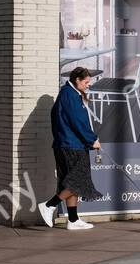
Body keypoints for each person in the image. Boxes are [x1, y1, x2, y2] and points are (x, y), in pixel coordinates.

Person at [42, 68, 105, 230]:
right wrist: (92, 140)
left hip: (69, 144)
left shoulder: (70, 94)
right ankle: (49, 205)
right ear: (77, 80)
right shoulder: (69, 95)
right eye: (86, 82)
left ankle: (73, 219)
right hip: (71, 146)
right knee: (79, 180)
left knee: (71, 181)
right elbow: (77, 121)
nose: (88, 85)